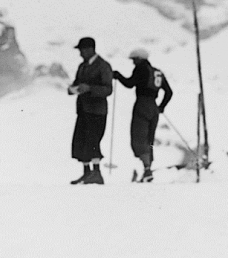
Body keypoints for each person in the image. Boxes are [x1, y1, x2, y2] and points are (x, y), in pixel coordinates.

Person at [113, 48, 174, 182]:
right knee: (149, 139)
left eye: (134, 60)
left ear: (140, 59)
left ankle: (147, 170)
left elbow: (130, 84)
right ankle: (148, 169)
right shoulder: (157, 72)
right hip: (153, 107)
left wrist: (118, 76)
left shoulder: (141, 69)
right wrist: (161, 107)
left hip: (142, 104)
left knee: (139, 137)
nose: (133, 63)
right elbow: (169, 92)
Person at [67, 37, 114, 185]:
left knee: (93, 141)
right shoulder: (82, 66)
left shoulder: (103, 66)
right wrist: (72, 89)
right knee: (81, 141)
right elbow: (76, 84)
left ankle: (96, 172)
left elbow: (108, 89)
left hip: (97, 111)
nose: (80, 53)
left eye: (82, 50)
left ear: (90, 49)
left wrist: (90, 89)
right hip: (83, 109)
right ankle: (87, 173)